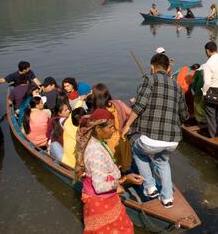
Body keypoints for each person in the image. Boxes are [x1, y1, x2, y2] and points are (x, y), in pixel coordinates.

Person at [122, 53, 189, 208]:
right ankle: (167, 199)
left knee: (138, 151)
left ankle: (150, 187)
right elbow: (184, 115)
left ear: (152, 67)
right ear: (168, 68)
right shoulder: (177, 86)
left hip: (150, 139)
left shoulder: (149, 79)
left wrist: (127, 126)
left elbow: (139, 106)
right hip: (173, 141)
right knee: (162, 161)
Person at [76, 109, 143, 233]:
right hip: (100, 202)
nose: (113, 130)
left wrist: (124, 177)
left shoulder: (99, 143)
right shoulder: (95, 152)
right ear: (98, 129)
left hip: (108, 198)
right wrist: (124, 180)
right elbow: (100, 186)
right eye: (111, 127)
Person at [91, 83, 133, 172]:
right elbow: (132, 114)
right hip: (123, 139)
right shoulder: (118, 103)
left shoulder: (100, 112)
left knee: (114, 169)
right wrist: (127, 125)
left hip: (110, 143)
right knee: (125, 167)